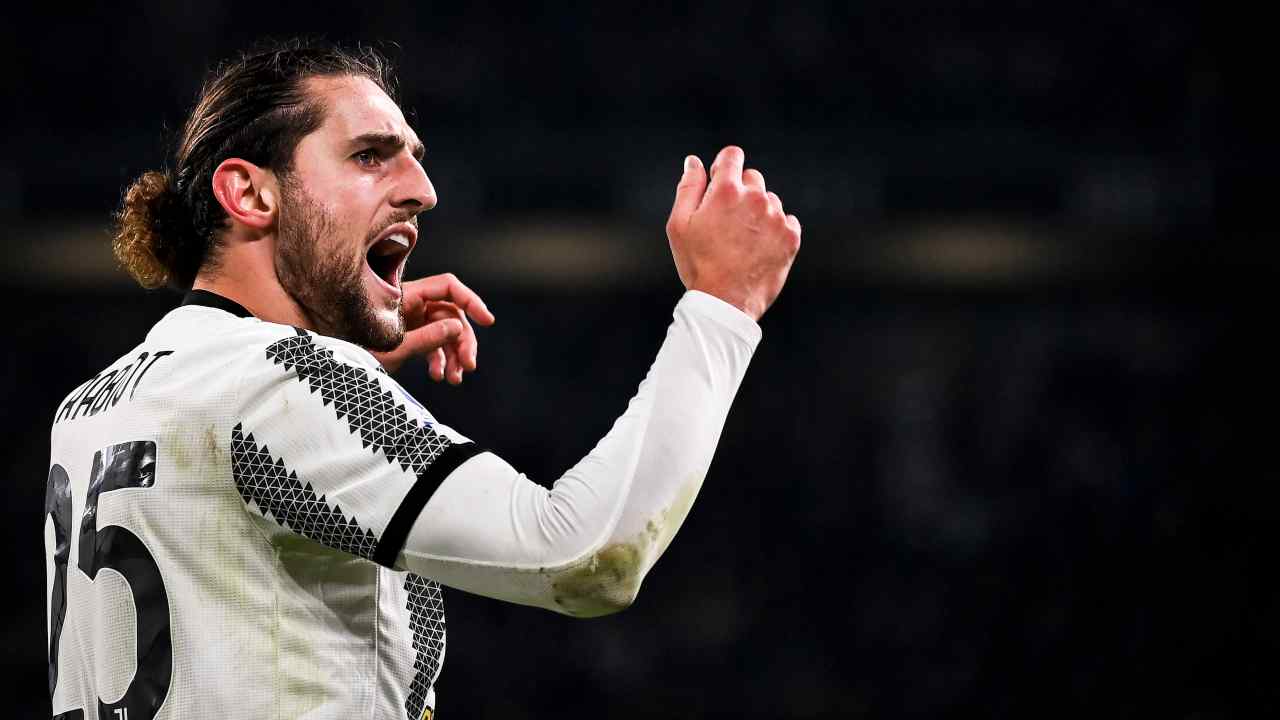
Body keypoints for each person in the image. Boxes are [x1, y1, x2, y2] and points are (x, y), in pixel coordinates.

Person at [44, 40, 800, 720]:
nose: (424, 189)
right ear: (249, 193)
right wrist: (721, 309)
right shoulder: (279, 384)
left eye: (413, 155)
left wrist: (330, 361)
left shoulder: (94, 405)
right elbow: (585, 558)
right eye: (370, 156)